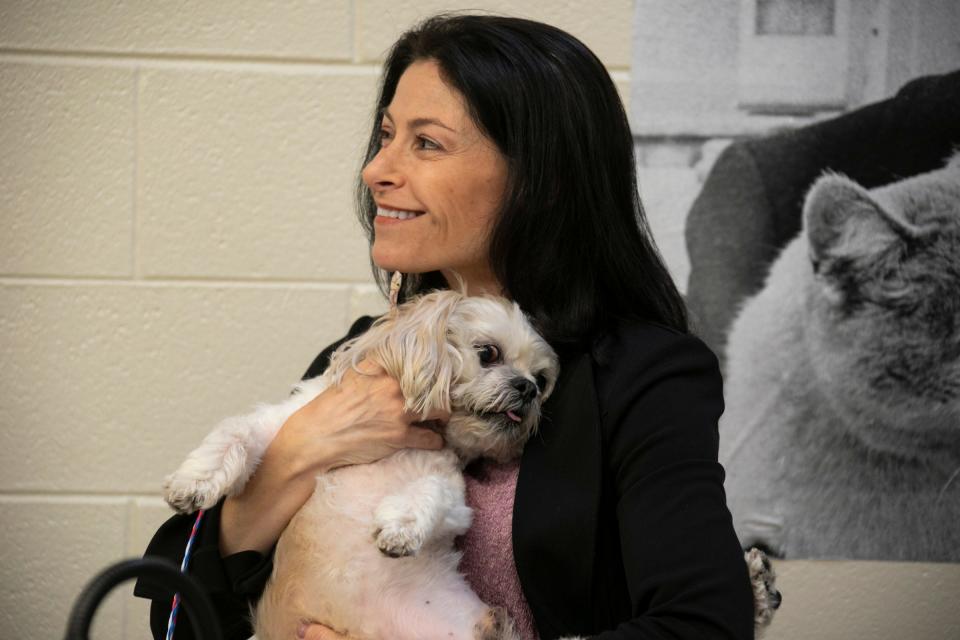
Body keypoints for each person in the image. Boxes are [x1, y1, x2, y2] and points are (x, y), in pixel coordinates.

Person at [135, 14, 754, 640]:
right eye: (385, 135)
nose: (376, 170)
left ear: (540, 178)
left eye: (426, 143)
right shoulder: (363, 354)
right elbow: (177, 619)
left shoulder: (645, 375)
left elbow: (703, 625)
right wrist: (299, 450)